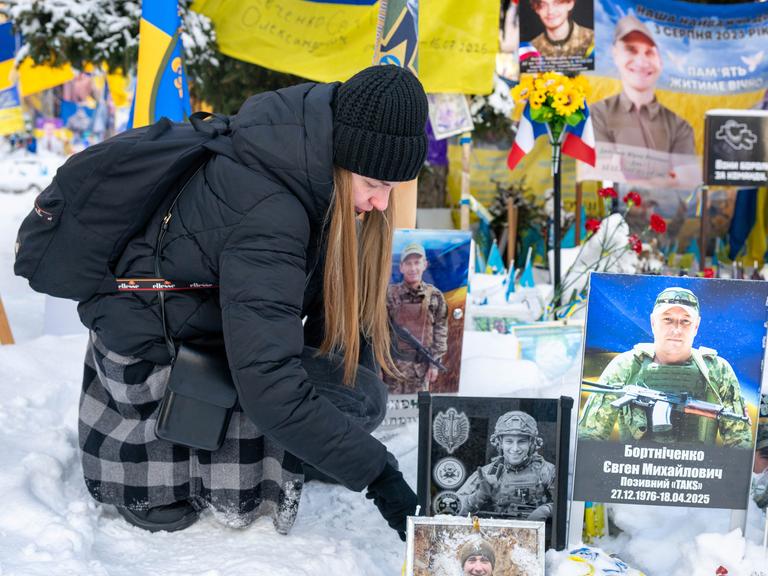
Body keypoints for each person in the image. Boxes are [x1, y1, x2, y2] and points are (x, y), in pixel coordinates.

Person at [76, 65, 427, 537]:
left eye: (391, 188)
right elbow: (270, 385)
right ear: (343, 160)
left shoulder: (304, 166)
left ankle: (288, 449)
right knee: (332, 404)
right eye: (374, 185)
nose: (382, 203)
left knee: (358, 399)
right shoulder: (271, 212)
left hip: (202, 338)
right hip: (149, 372)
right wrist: (380, 475)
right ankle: (159, 475)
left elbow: (319, 330)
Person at [579, 287, 753, 447]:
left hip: (697, 474)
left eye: (685, 321)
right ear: (653, 322)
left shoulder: (717, 370)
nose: (676, 330)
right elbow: (588, 436)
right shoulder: (626, 366)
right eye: (668, 319)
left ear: (696, 326)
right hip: (634, 472)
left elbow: (740, 444)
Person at [591, 15, 695, 155]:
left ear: (661, 62)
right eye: (631, 50)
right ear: (615, 54)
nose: (641, 62)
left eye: (649, 52)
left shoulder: (680, 127)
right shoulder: (596, 115)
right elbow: (601, 170)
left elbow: (684, 175)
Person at [456, 411, 555, 521]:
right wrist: (479, 496)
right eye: (509, 441)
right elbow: (453, 508)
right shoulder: (488, 473)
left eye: (521, 442)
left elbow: (566, 506)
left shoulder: (545, 471)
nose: (515, 448)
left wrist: (547, 510)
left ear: (531, 444)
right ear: (500, 443)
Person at [383, 242, 448, 394]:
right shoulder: (388, 295)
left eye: (417, 263)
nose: (413, 268)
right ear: (401, 267)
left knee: (419, 414)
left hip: (421, 371)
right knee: (393, 415)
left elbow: (441, 331)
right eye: (408, 263)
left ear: (425, 264)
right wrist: (378, 366)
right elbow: (377, 333)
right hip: (392, 371)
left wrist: (434, 364)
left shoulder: (435, 296)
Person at [528, 0, 593, 60]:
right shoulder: (531, 50)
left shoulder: (593, 41)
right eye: (543, 5)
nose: (550, 11)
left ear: (570, 3)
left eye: (557, 3)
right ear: (536, 9)